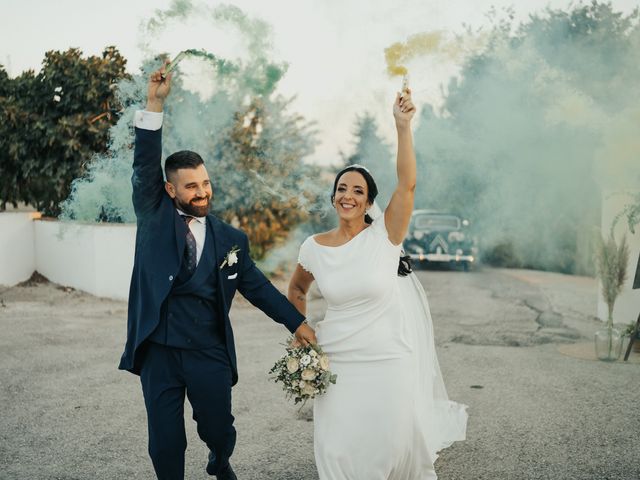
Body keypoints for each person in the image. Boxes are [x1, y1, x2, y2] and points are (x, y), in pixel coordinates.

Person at [118, 62, 317, 480]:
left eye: (205, 183)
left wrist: (296, 323)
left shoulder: (231, 239)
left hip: (208, 349)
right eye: (191, 186)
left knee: (218, 428)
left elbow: (259, 289)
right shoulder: (154, 216)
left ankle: (220, 458)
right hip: (159, 348)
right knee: (166, 441)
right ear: (171, 189)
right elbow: (144, 162)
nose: (202, 192)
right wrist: (154, 103)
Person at [288, 89, 467, 479]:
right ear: (333, 197)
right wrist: (300, 329)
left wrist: (403, 127)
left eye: (358, 190)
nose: (347, 195)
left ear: (369, 201)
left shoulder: (386, 236)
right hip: (336, 359)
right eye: (341, 188)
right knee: (335, 447)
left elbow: (407, 185)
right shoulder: (314, 247)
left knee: (389, 446)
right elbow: (297, 290)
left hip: (387, 358)